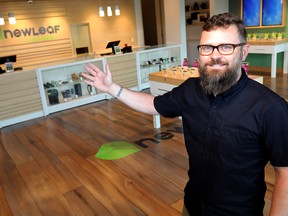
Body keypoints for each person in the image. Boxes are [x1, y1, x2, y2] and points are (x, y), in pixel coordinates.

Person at [82, 13, 288, 216]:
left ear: (244, 52)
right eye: (207, 48)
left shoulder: (270, 108)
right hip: (192, 206)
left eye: (226, 47)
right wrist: (112, 89)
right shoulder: (190, 90)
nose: (215, 56)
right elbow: (154, 104)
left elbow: (285, 174)